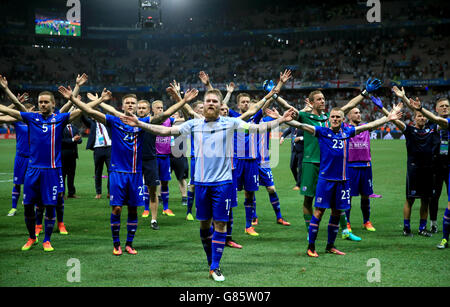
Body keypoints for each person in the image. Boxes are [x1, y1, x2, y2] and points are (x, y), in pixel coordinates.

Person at [119, 88, 296, 282]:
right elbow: (165, 130)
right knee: (204, 225)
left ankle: (215, 266)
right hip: (201, 184)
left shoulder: (231, 123)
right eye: (208, 100)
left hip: (223, 184)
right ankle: (211, 261)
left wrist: (281, 120)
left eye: (214, 101)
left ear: (220, 106)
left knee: (220, 224)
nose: (211, 103)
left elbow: (256, 128)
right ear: (203, 105)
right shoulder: (194, 124)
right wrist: (138, 124)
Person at [59, 85, 197, 255]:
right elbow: (93, 113)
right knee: (116, 209)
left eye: (133, 102)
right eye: (128, 103)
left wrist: (183, 100)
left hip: (136, 174)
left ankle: (129, 244)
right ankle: (116, 244)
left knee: (133, 209)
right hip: (118, 173)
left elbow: (165, 115)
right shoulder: (114, 121)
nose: (131, 105)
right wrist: (72, 99)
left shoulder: (143, 123)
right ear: (122, 106)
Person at [0, 76, 108, 252]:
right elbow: (10, 111)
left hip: (51, 171)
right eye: (40, 102)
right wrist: (5, 89)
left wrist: (81, 90)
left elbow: (81, 110)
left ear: (52, 104)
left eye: (45, 102)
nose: (42, 105)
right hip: (32, 170)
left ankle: (47, 240)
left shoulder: (59, 119)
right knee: (28, 206)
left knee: (50, 206)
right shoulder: (31, 118)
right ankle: (31, 237)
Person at [280, 105, 402, 257]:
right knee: (318, 212)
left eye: (338, 117)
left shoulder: (347, 132)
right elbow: (302, 125)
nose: (335, 119)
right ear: (329, 119)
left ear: (343, 120)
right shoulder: (322, 132)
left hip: (343, 181)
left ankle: (330, 246)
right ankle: (311, 247)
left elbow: (370, 125)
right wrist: (284, 120)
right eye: (333, 117)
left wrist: (388, 118)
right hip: (325, 181)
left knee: (337, 213)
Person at [274, 78, 382, 241]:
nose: (323, 101)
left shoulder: (329, 118)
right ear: (310, 102)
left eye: (323, 99)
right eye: (319, 99)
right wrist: (275, 95)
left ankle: (345, 231)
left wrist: (365, 93)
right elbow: (288, 109)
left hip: (330, 165)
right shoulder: (304, 116)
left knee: (337, 200)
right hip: (311, 162)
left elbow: (349, 106)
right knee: (308, 199)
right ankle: (309, 229)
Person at [392, 88, 449, 248]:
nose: (444, 109)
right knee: (421, 198)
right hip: (429, 167)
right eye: (442, 106)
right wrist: (403, 97)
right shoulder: (430, 124)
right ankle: (412, 226)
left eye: (447, 106)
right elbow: (418, 112)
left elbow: (419, 113)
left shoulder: (436, 125)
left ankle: (426, 227)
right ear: (436, 109)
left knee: (428, 198)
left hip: (435, 167)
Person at [344, 106, 377, 232]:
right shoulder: (345, 128)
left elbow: (380, 122)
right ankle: (347, 223)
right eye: (355, 113)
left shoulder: (366, 126)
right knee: (348, 197)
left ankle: (366, 221)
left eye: (359, 112)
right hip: (351, 167)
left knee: (366, 196)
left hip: (366, 167)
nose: (359, 114)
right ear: (349, 116)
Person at [0, 94, 33, 217]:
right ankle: (13, 207)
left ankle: (30, 204)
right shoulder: (17, 122)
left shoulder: (35, 122)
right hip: (20, 157)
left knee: (31, 183)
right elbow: (2, 116)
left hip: (32, 158)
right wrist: (15, 103)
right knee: (17, 183)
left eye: (30, 111)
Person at [81, 107, 112, 200]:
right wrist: (81, 108)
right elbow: (83, 118)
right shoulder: (92, 123)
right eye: (93, 114)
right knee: (98, 172)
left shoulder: (108, 123)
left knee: (111, 171)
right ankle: (98, 192)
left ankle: (110, 192)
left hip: (109, 148)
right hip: (98, 149)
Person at [61, 118, 82, 199]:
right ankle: (62, 193)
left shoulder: (74, 128)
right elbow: (61, 140)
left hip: (73, 155)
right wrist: (73, 139)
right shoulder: (61, 127)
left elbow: (79, 140)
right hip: (63, 155)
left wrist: (78, 139)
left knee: (71, 175)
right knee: (62, 175)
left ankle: (71, 193)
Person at [280, 125, 304, 191]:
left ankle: (298, 185)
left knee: (300, 168)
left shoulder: (304, 125)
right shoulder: (293, 126)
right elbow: (286, 132)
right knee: (292, 166)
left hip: (302, 150)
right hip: (294, 150)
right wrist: (282, 138)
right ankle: (299, 182)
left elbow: (310, 137)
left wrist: (300, 138)